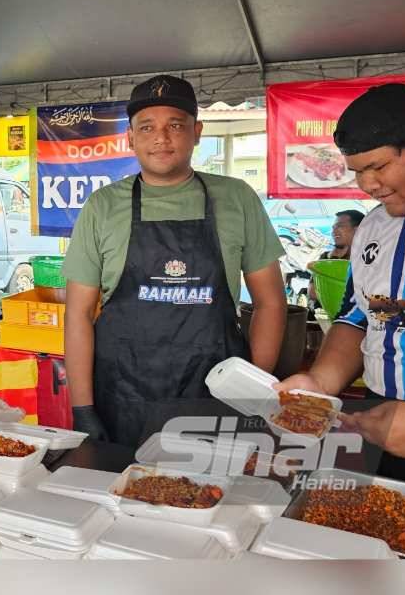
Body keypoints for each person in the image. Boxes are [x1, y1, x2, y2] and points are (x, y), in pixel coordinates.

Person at [277, 83, 405, 502]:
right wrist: (320, 381)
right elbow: (360, 316)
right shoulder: (374, 224)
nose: (367, 184)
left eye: (377, 166)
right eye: (356, 171)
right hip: (380, 429)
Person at [63, 75, 288, 447]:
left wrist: (254, 395)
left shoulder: (237, 198)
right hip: (123, 397)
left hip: (215, 396)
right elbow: (78, 314)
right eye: (147, 127)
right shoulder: (102, 206)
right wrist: (82, 408)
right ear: (130, 138)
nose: (161, 138)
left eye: (175, 125)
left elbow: (271, 303)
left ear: (197, 132)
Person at [307, 209, 364, 308]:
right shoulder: (326, 258)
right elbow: (312, 293)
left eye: (340, 226)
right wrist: (333, 259)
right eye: (333, 227)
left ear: (357, 230)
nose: (333, 231)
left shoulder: (367, 260)